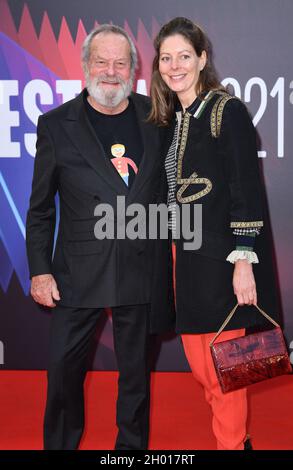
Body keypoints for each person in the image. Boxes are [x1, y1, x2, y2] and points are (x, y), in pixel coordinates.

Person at [26, 24, 173, 450]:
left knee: (135, 378)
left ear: (134, 68)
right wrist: (40, 271)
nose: (111, 71)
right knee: (63, 373)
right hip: (77, 271)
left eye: (120, 63)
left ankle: (130, 452)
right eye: (102, 62)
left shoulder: (158, 119)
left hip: (142, 268)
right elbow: (39, 208)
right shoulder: (56, 125)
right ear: (86, 65)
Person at [149, 17, 280, 450]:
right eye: (166, 58)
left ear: (202, 59)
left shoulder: (228, 110)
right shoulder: (171, 119)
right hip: (184, 261)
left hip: (224, 260)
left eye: (184, 56)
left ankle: (231, 445)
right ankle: (235, 439)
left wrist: (244, 260)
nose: (175, 65)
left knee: (228, 370)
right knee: (203, 368)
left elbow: (246, 188)